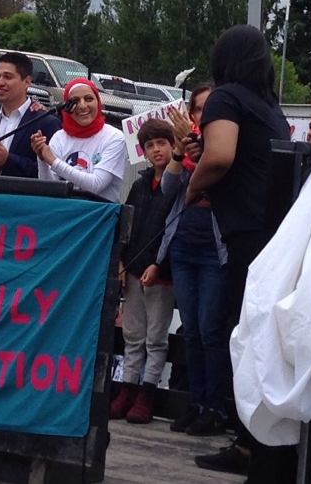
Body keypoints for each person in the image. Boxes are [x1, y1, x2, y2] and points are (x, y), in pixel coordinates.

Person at [185, 26, 293, 482]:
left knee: (244, 338)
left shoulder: (226, 97)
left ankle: (255, 450)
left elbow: (221, 156)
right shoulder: (269, 105)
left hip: (245, 233)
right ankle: (251, 443)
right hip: (272, 230)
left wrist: (193, 185)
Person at [163, 83, 231, 437]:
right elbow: (167, 190)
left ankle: (216, 406)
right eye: (198, 108)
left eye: (209, 108)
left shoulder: (225, 146)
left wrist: (203, 151)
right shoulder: (185, 146)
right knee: (190, 332)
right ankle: (198, 400)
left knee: (211, 330)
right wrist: (178, 153)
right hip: (183, 246)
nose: (202, 115)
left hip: (214, 250)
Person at [110, 119, 177, 425]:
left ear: (173, 145)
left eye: (162, 143)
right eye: (150, 145)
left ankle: (147, 393)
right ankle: (127, 387)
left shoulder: (178, 185)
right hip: (135, 269)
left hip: (161, 274)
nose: (156, 149)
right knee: (133, 334)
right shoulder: (139, 185)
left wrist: (158, 264)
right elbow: (129, 224)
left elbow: (172, 230)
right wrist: (122, 261)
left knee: (156, 337)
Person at [0, 52, 61, 178]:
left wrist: (8, 160)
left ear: (27, 82)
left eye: (8, 77)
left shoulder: (45, 123)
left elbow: (54, 173)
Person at [31, 78, 127, 201]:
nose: (82, 106)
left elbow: (96, 185)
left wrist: (53, 162)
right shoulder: (59, 137)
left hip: (99, 216)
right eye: (75, 101)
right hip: (65, 214)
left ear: (98, 102)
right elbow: (48, 189)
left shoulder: (114, 137)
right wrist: (42, 159)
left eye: (88, 99)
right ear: (66, 106)